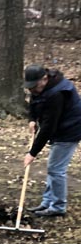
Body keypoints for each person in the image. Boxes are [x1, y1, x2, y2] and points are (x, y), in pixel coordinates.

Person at [23, 64, 81, 217]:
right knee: (53, 168)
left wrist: (32, 153)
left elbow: (49, 127)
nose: (33, 90)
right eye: (30, 87)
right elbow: (34, 100)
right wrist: (32, 119)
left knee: (56, 169)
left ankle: (57, 206)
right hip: (60, 127)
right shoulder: (41, 87)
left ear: (44, 78)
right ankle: (47, 202)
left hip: (70, 130)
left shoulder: (57, 94)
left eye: (34, 86)